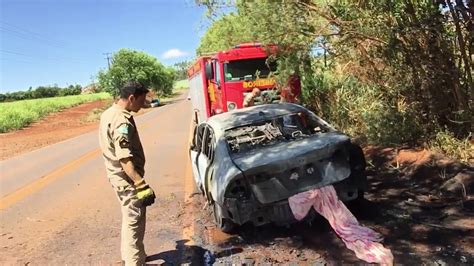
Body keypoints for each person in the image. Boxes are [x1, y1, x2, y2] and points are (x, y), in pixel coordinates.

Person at [99, 81, 156, 265]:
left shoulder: (109, 113)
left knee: (129, 218)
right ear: (131, 98)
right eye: (141, 99)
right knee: (134, 221)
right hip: (128, 181)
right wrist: (140, 183)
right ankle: (134, 262)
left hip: (116, 178)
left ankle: (132, 256)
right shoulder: (121, 121)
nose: (144, 103)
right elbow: (124, 158)